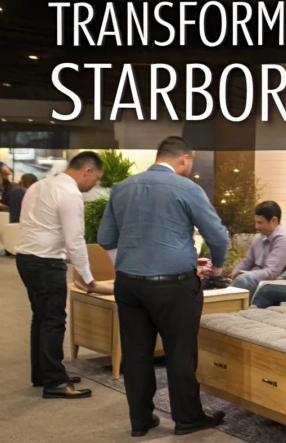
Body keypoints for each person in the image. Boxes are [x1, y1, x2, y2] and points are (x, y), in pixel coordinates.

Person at [97, 136, 230, 437]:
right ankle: (188, 419)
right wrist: (219, 266)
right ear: (184, 159)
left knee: (136, 353)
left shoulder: (122, 188)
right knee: (180, 352)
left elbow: (105, 238)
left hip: (128, 284)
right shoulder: (187, 188)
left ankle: (140, 421)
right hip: (174, 286)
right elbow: (218, 235)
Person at [16, 151, 105, 399]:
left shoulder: (40, 185)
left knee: (41, 318)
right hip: (46, 263)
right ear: (87, 170)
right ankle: (55, 382)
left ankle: (43, 374)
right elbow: (75, 240)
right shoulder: (69, 193)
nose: (94, 184)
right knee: (54, 321)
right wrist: (87, 277)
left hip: (26, 259)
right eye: (96, 178)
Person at [230, 201, 286, 299]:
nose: (256, 227)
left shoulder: (283, 239)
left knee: (244, 280)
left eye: (260, 222)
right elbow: (247, 261)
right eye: (256, 222)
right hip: (253, 279)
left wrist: (247, 274)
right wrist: (234, 273)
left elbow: (271, 273)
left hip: (269, 283)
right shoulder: (259, 237)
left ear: (274, 220)